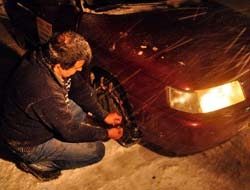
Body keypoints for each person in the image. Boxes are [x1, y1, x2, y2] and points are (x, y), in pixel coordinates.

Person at [0, 31, 123, 181]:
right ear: (58, 66)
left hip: (36, 117)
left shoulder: (48, 56)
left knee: (78, 111)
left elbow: (80, 90)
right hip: (28, 143)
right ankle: (37, 164)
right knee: (96, 152)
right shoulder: (43, 90)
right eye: (77, 67)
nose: (79, 70)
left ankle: (55, 133)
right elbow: (70, 132)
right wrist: (106, 134)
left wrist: (103, 114)